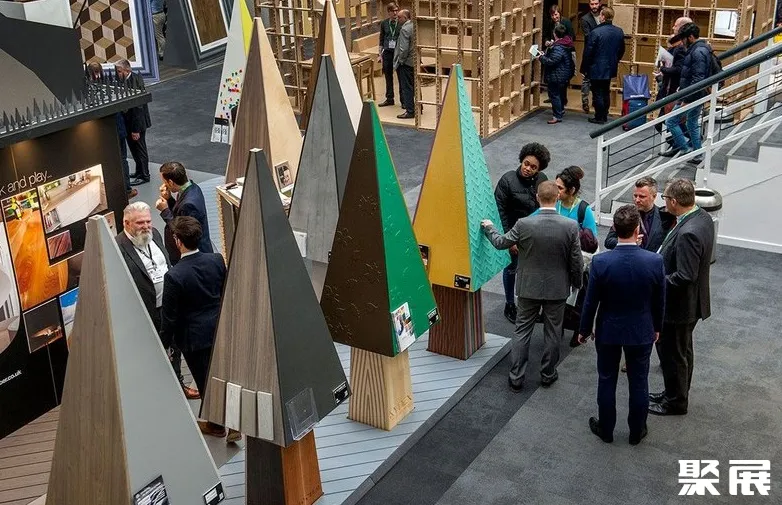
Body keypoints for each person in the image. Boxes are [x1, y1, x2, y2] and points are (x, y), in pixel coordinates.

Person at [481, 181, 583, 391]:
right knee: (553, 332)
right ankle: (547, 374)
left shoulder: (523, 224)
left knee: (522, 331)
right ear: (557, 197)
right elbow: (576, 261)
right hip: (557, 289)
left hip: (528, 287)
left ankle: (516, 377)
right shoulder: (570, 226)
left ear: (537, 197)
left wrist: (489, 228)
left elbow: (501, 243)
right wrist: (577, 283)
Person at [578, 205, 666, 445]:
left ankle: (606, 429)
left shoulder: (600, 262)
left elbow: (591, 301)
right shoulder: (655, 261)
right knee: (639, 381)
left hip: (608, 330)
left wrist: (584, 330)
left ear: (614, 229)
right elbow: (660, 300)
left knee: (607, 379)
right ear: (638, 229)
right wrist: (657, 327)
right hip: (641, 330)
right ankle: (637, 431)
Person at [160, 216, 239, 442]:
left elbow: (170, 317)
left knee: (205, 382)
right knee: (227, 375)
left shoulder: (174, 276)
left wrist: (163, 345)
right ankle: (235, 422)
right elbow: (225, 292)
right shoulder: (216, 260)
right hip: (220, 330)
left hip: (194, 339)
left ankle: (217, 425)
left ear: (177, 241)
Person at [115, 202, 199, 400]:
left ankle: (178, 385)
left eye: (148, 221)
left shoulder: (155, 234)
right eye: (140, 223)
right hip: (145, 312)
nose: (145, 226)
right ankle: (159, 393)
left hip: (169, 306)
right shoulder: (118, 247)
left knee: (175, 347)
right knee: (153, 353)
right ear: (126, 223)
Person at [650, 178, 713, 416]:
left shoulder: (688, 233)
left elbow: (685, 275)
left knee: (673, 354)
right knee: (683, 351)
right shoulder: (701, 217)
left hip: (679, 307)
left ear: (675, 201)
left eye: (665, 199)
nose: (664, 203)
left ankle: (675, 402)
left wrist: (654, 281)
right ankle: (676, 392)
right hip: (692, 303)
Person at [494, 143, 551, 323]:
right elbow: (500, 211)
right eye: (526, 163)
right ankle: (510, 304)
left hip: (534, 235)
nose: (528, 169)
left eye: (533, 167)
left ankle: (531, 306)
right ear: (521, 160)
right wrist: (509, 240)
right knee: (511, 269)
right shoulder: (507, 180)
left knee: (534, 271)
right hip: (514, 233)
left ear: (539, 169)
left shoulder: (542, 179)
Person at [660, 23, 711, 164]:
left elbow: (698, 78)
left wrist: (687, 98)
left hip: (692, 95)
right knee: (691, 123)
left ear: (690, 37)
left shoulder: (697, 52)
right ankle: (697, 154)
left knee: (671, 121)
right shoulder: (701, 49)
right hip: (696, 93)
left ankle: (685, 148)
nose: (682, 42)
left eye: (683, 39)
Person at [156, 162, 213, 264]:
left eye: (164, 182)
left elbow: (183, 231)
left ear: (171, 182)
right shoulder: (192, 188)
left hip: (194, 259)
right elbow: (180, 214)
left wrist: (165, 211)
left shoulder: (189, 204)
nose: (164, 185)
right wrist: (169, 199)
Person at [581, 6, 625, 125]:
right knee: (605, 91)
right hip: (610, 66)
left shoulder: (595, 32)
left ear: (603, 16)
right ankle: (604, 115)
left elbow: (588, 52)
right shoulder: (619, 31)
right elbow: (621, 50)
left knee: (597, 93)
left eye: (600, 15)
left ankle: (599, 116)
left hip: (596, 67)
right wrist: (615, 60)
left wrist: (584, 68)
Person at [605, 176, 672, 251]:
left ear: (654, 196)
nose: (637, 200)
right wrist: (628, 243)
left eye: (642, 196)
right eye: (635, 196)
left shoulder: (665, 217)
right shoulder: (624, 214)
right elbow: (608, 241)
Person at [115, 59, 152, 185]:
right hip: (130, 123)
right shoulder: (127, 81)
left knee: (140, 149)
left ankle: (144, 175)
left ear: (127, 70)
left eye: (119, 71)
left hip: (137, 124)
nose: (118, 74)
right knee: (134, 149)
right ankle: (139, 171)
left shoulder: (135, 82)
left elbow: (138, 108)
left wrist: (136, 129)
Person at [653, 17, 692, 134]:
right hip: (673, 87)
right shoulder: (682, 46)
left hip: (674, 89)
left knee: (666, 122)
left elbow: (679, 69)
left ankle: (684, 142)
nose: (673, 27)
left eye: (675, 25)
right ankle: (684, 141)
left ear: (681, 28)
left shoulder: (680, 48)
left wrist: (663, 69)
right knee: (671, 122)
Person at [538, 23, 576, 124]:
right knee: (559, 94)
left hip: (557, 74)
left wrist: (541, 57)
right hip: (563, 73)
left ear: (555, 34)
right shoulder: (566, 43)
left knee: (554, 95)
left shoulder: (558, 47)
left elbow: (552, 61)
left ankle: (557, 116)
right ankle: (560, 111)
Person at [579, 0, 601, 113]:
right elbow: (588, 37)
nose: (594, 6)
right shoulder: (585, 19)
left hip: (601, 53)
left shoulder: (604, 15)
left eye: (596, 4)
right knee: (586, 79)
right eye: (592, 4)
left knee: (598, 79)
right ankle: (585, 101)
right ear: (589, 5)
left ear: (600, 3)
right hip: (590, 52)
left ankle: (595, 101)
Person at [393, 9, 416, 120]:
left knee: (406, 87)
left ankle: (410, 110)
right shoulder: (414, 26)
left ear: (405, 18)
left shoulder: (404, 29)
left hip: (406, 62)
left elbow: (403, 48)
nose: (397, 19)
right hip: (414, 61)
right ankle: (418, 107)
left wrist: (400, 61)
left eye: (399, 17)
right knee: (415, 85)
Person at [378, 2, 400, 108]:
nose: (395, 13)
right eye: (393, 11)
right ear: (389, 12)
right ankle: (389, 98)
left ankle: (404, 100)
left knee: (400, 76)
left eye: (396, 10)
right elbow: (381, 38)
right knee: (388, 76)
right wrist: (379, 54)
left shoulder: (401, 23)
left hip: (397, 53)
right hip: (387, 52)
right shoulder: (384, 23)